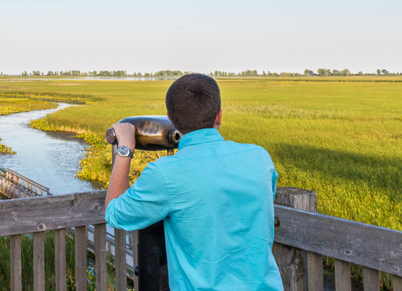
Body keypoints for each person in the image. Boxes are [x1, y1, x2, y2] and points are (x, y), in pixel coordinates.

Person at [104, 74, 283, 290]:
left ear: (170, 118)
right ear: (219, 116)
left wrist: (124, 149)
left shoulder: (165, 173)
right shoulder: (259, 158)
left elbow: (114, 213)